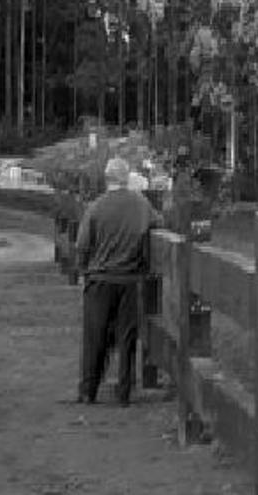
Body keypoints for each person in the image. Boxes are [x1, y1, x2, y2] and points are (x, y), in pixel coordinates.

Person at [75, 157, 162, 406]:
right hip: (130, 280)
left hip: (100, 279)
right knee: (127, 337)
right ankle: (124, 391)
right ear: (126, 178)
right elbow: (159, 224)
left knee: (95, 335)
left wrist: (84, 271)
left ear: (107, 179)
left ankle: (88, 390)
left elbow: (82, 244)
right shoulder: (140, 204)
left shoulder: (96, 207)